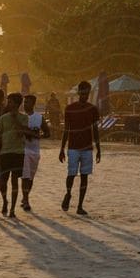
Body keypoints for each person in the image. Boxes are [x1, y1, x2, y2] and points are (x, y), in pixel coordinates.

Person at [59, 80, 101, 214]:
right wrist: (62, 149)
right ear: (79, 93)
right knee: (71, 174)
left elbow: (95, 130)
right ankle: (68, 193)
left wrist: (98, 148)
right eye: (83, 93)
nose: (85, 95)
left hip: (87, 147)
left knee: (84, 176)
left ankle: (80, 206)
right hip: (73, 147)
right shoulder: (70, 109)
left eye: (87, 93)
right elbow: (66, 129)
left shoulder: (93, 109)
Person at [0, 91, 30, 218]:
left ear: (16, 104)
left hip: (18, 153)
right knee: (3, 182)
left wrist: (15, 118)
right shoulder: (3, 118)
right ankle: (5, 201)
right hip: (5, 153)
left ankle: (12, 209)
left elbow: (21, 133)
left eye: (10, 102)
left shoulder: (24, 118)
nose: (8, 104)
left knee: (15, 181)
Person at [20, 92, 44, 210]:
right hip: (23, 150)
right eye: (24, 102)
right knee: (25, 176)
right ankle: (26, 201)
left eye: (27, 102)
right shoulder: (21, 117)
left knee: (31, 177)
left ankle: (25, 197)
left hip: (35, 150)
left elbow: (47, 133)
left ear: (33, 104)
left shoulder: (39, 117)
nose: (25, 104)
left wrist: (37, 135)